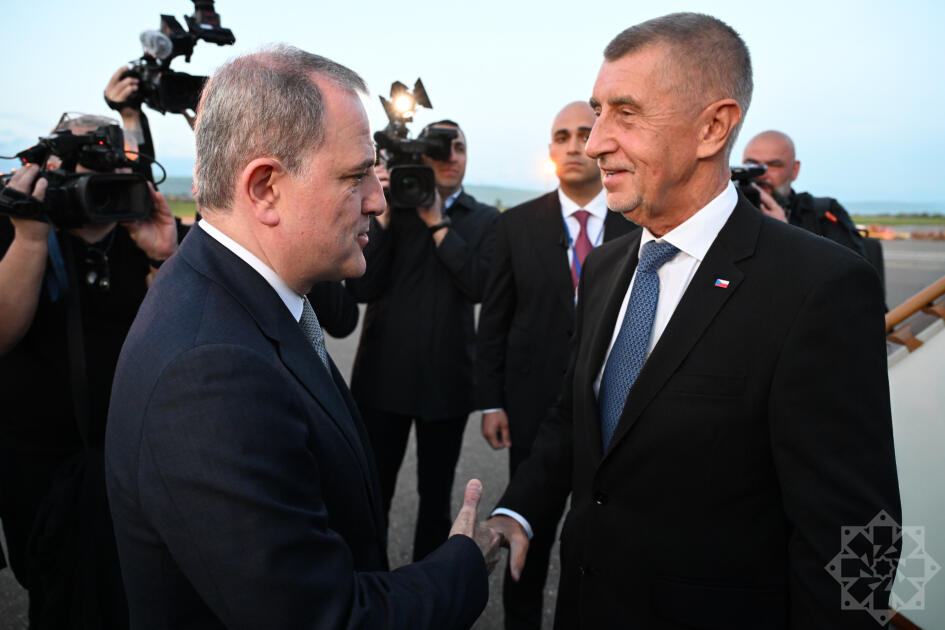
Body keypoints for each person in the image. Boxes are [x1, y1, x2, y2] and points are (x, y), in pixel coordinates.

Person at [487, 13, 901, 628]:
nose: (596, 142)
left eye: (626, 113)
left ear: (713, 127)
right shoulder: (606, 266)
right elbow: (578, 415)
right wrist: (516, 512)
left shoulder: (820, 286)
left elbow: (864, 535)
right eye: (599, 112)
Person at [105, 46, 499, 630]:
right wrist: (463, 566)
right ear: (265, 188)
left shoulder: (236, 294)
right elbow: (325, 616)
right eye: (355, 176)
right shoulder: (211, 372)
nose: (378, 200)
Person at [0, 108, 179, 627]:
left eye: (115, 162)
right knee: (59, 596)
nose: (106, 176)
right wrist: (31, 237)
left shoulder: (139, 233)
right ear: (51, 169)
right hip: (42, 470)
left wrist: (162, 258)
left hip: (136, 461)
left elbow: (175, 340)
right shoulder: (17, 227)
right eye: (90, 161)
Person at [476, 100, 636, 629]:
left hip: (614, 414)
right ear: (550, 149)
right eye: (561, 136)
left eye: (583, 133)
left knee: (604, 540)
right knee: (529, 535)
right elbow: (494, 320)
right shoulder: (516, 224)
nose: (572, 145)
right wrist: (492, 401)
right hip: (532, 408)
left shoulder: (638, 224)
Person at [346, 120, 500, 562]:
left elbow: (480, 286)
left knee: (436, 499)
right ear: (419, 156)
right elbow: (360, 288)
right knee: (373, 493)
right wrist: (383, 219)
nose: (452, 157)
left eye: (459, 148)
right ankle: (368, 585)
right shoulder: (390, 208)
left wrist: (437, 223)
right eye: (440, 148)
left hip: (448, 382)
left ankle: (430, 589)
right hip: (382, 378)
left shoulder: (484, 218)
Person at [742, 130, 867, 257]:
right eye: (751, 165)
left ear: (794, 170)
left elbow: (852, 266)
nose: (761, 174)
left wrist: (785, 232)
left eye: (774, 165)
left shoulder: (823, 214)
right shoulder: (733, 210)